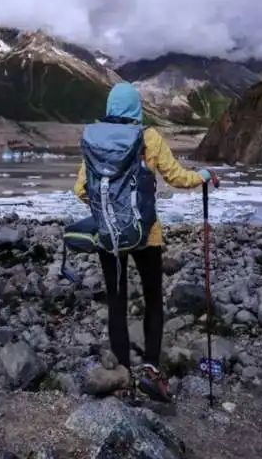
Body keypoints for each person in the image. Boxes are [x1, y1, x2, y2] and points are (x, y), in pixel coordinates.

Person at [74, 81, 218, 402]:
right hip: (146, 234)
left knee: (117, 304)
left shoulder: (96, 141)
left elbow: (81, 189)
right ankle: (151, 371)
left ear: (111, 107)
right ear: (135, 108)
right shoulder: (148, 138)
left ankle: (123, 379)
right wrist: (204, 177)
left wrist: (108, 210)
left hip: (108, 236)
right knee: (153, 301)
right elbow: (177, 176)